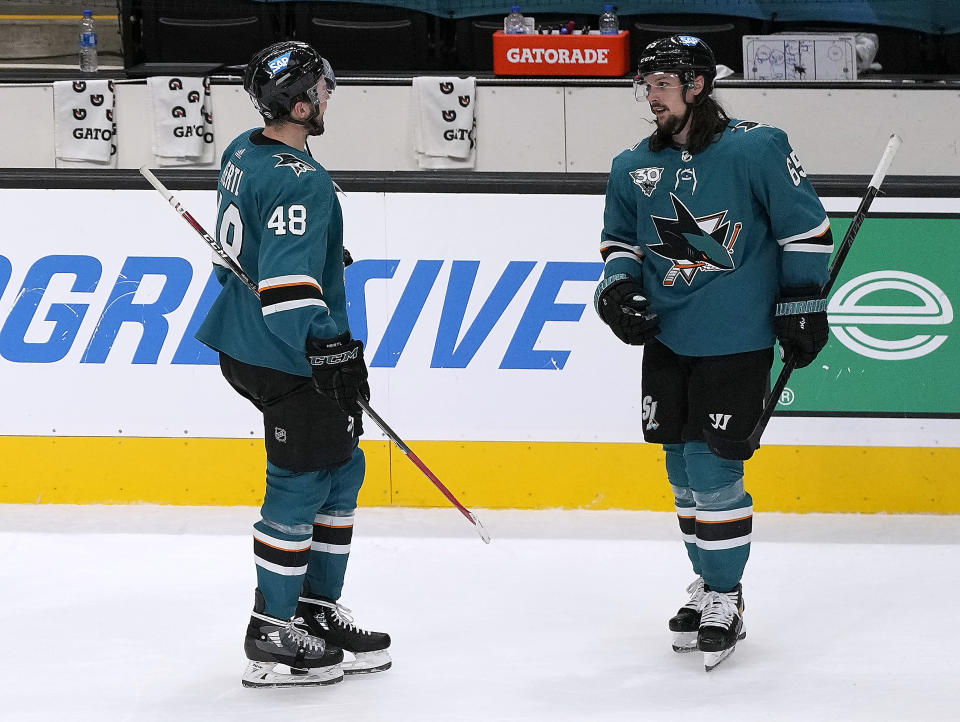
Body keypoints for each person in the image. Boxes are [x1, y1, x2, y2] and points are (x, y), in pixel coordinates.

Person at [594, 35, 832, 671]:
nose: (650, 95)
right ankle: (707, 581)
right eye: (644, 84)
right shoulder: (630, 165)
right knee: (678, 468)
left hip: (737, 339)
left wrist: (803, 301)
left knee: (712, 469)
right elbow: (619, 243)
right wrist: (617, 291)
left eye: (661, 83)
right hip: (668, 340)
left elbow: (805, 227)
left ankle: (725, 594)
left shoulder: (757, 146)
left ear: (697, 84)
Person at [196, 40, 391, 688]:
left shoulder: (246, 150)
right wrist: (331, 348)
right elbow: (284, 296)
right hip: (284, 352)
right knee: (303, 478)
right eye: (323, 86)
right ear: (302, 103)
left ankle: (314, 609)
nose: (330, 94)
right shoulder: (298, 178)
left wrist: (322, 252)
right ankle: (272, 629)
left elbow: (254, 246)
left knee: (342, 466)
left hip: (246, 339)